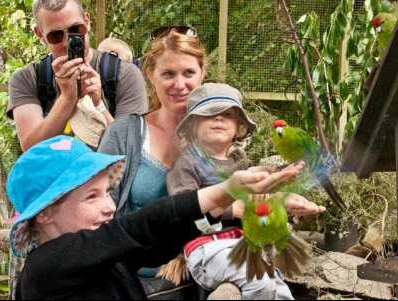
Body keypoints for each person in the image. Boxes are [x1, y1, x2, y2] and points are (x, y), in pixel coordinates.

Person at [6, 135, 306, 299]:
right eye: (91, 196)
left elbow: (158, 242)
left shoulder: (105, 259)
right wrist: (219, 191)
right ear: (44, 214)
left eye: (107, 192)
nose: (110, 206)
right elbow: (139, 228)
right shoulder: (46, 268)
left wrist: (217, 208)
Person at [162, 82, 325, 300]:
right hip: (206, 249)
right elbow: (184, 213)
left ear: (239, 126)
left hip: (243, 245)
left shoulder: (240, 163)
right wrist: (238, 209)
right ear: (193, 125)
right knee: (260, 283)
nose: (219, 119)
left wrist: (284, 199)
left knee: (279, 291)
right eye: (209, 115)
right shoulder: (187, 164)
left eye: (227, 114)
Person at [97, 26, 207, 282]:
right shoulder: (124, 135)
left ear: (202, 73)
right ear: (150, 74)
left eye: (189, 72)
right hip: (130, 277)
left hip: (200, 274)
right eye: (168, 73)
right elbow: (99, 204)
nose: (179, 84)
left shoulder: (219, 135)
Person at [7, 0, 148, 151]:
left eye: (75, 30)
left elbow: (133, 150)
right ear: (40, 34)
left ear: (87, 22)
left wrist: (99, 105)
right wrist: (67, 98)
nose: (68, 42)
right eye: (56, 36)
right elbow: (30, 149)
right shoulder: (26, 79)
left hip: (109, 173)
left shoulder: (124, 74)